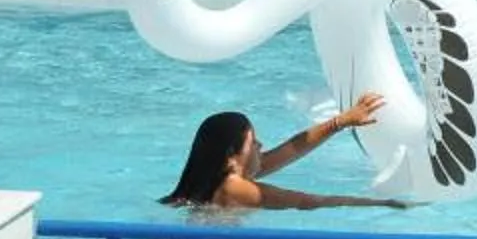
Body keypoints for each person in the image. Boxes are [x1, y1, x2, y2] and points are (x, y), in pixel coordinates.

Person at [161, 91, 414, 210]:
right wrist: (382, 203)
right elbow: (307, 201)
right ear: (231, 155)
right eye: (254, 142)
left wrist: (341, 122)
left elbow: (292, 148)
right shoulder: (235, 187)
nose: (261, 147)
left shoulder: (219, 180)